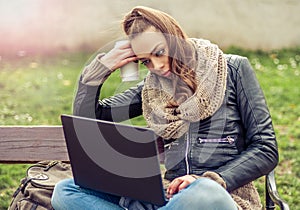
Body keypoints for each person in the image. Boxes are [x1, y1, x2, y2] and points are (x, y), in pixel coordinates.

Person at [51, 6, 278, 210]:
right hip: (170, 199)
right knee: (65, 191)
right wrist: (99, 71)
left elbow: (266, 148)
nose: (157, 66)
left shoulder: (233, 69)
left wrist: (210, 179)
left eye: (159, 52)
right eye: (145, 61)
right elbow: (90, 119)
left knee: (203, 192)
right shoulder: (152, 88)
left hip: (220, 195)